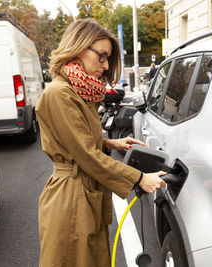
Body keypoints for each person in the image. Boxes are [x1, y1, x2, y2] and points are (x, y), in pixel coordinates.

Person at [35, 19, 167, 267]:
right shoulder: (60, 93)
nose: (105, 66)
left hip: (83, 194)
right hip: (71, 199)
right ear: (79, 46)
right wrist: (139, 178)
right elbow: (86, 156)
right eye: (102, 56)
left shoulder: (77, 91)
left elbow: (77, 143)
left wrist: (111, 144)